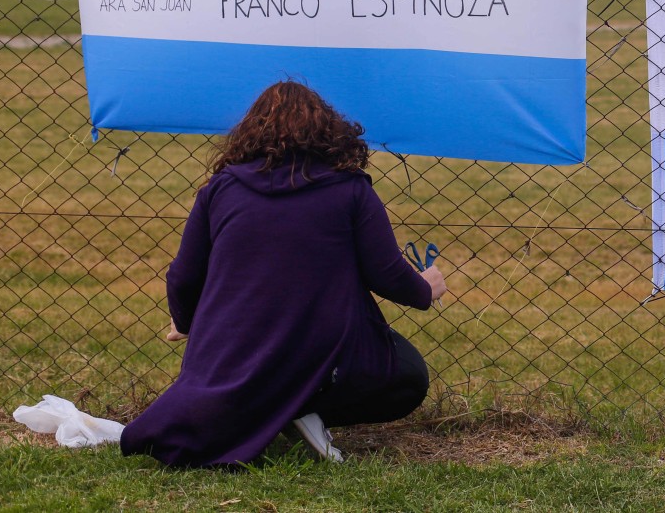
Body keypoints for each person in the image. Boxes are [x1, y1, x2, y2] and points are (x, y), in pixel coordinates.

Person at [120, 81, 447, 467]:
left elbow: (184, 274)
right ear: (328, 131)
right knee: (408, 376)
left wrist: (187, 320)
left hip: (236, 348)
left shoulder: (221, 189)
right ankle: (301, 407)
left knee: (241, 383)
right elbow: (386, 273)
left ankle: (267, 410)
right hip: (321, 345)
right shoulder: (350, 188)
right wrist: (425, 288)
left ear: (250, 131)